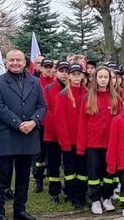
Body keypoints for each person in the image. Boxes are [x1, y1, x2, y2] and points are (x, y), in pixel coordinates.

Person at [0, 49, 48, 220]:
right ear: (6, 62)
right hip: (7, 134)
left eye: (18, 60)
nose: (15, 63)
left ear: (24, 62)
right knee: (1, 175)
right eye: (12, 60)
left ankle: (20, 209)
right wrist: (17, 123)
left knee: (23, 175)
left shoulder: (35, 82)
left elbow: (42, 106)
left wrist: (33, 122)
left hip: (29, 134)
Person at [77, 66, 120, 215]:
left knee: (109, 174)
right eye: (100, 77)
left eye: (106, 77)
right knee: (94, 174)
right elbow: (82, 123)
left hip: (110, 144)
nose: (103, 80)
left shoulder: (116, 98)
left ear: (110, 79)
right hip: (92, 144)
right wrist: (81, 146)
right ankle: (95, 200)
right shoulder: (87, 98)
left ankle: (107, 198)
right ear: (95, 79)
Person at [54, 64, 89, 209]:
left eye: (78, 74)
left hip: (84, 140)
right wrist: (65, 142)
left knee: (82, 171)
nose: (76, 77)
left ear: (82, 76)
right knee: (69, 171)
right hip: (69, 141)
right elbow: (60, 121)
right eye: (73, 74)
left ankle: (81, 195)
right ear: (69, 76)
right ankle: (73, 196)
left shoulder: (87, 94)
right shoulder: (62, 95)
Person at [42, 62, 69, 202]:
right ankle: (54, 192)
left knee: (70, 165)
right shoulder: (48, 89)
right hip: (52, 135)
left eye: (66, 71)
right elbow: (48, 112)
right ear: (56, 72)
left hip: (70, 135)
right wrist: (59, 129)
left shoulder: (74, 89)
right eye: (61, 70)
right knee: (53, 165)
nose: (64, 73)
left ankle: (70, 190)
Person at [32, 59, 58, 194]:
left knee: (52, 154)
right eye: (45, 67)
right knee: (40, 155)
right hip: (40, 124)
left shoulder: (56, 83)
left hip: (53, 125)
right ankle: (39, 180)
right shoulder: (36, 82)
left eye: (50, 67)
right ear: (41, 68)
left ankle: (54, 180)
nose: (48, 69)